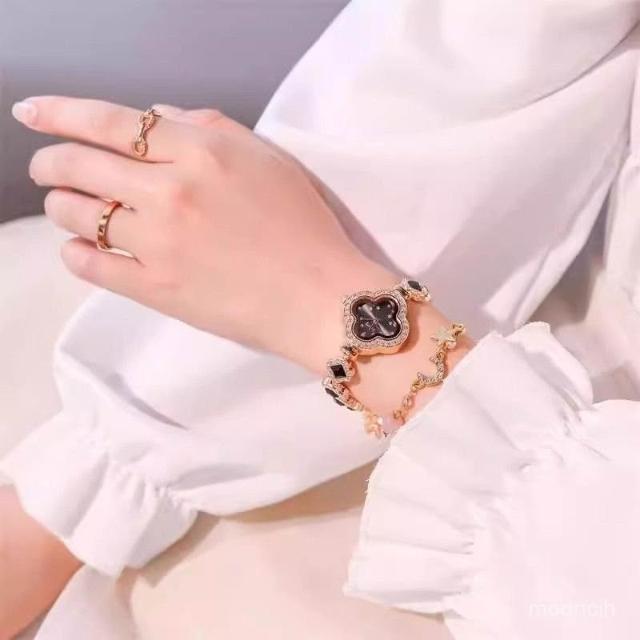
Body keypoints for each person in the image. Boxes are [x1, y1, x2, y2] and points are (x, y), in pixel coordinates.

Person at [3, 1, 640, 638]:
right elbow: (486, 43)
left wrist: (322, 306)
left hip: (525, 523)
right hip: (460, 362)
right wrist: (80, 485)